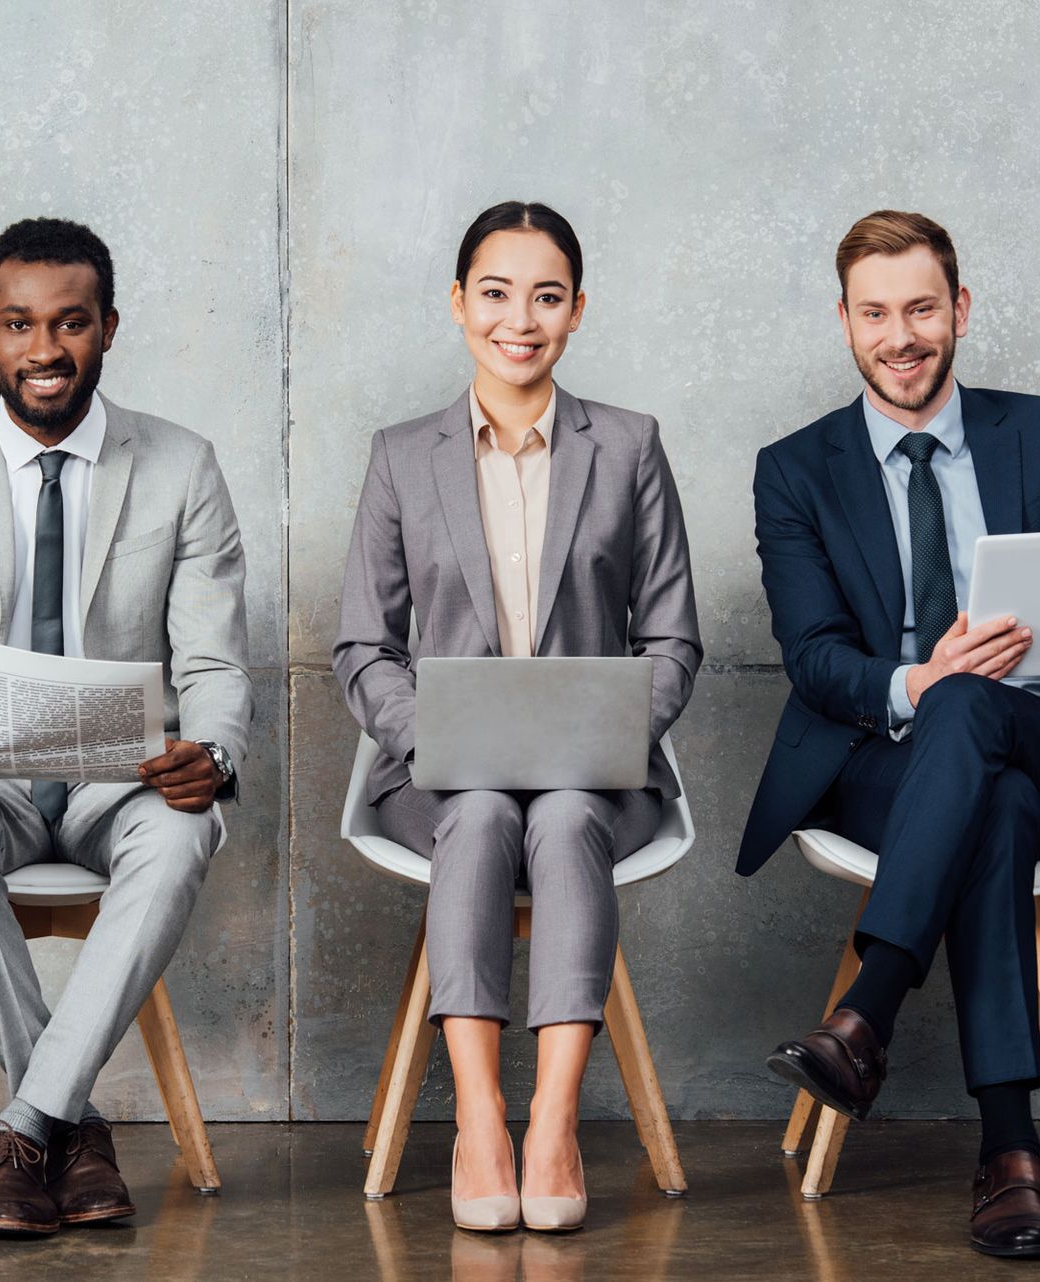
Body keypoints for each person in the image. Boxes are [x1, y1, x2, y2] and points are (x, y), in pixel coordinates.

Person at [740, 210, 1040, 1260]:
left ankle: (866, 1014)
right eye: (877, 313)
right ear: (844, 323)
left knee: (989, 725)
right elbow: (815, 657)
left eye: (923, 307)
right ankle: (1011, 1151)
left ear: (960, 310)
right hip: (893, 759)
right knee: (987, 780)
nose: (903, 335)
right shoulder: (796, 468)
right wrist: (916, 679)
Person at [0, 217, 252, 1236]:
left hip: (125, 780)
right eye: (21, 324)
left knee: (177, 842)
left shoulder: (182, 466)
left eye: (70, 323)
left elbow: (211, 663)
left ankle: (21, 1128)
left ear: (108, 328)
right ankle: (70, 1136)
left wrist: (210, 751)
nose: (44, 350)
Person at [334, 201, 702, 1233]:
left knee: (568, 812)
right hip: (441, 777)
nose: (520, 318)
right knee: (489, 810)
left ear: (578, 310)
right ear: (460, 305)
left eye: (547, 295)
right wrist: (435, 734)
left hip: (598, 772)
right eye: (496, 292)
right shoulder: (404, 455)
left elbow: (672, 638)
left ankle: (553, 1124)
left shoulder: (627, 447)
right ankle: (481, 1124)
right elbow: (363, 645)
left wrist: (619, 732)